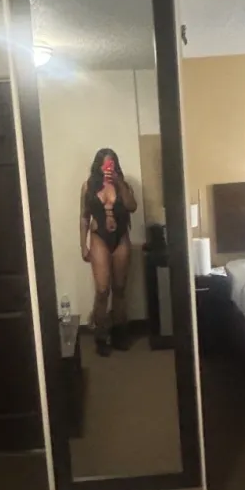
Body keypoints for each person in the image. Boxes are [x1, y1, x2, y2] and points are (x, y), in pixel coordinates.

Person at [80, 148, 137, 356]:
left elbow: (132, 206)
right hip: (99, 239)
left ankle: (120, 332)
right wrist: (83, 245)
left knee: (120, 288)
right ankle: (101, 334)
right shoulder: (88, 186)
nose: (108, 167)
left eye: (111, 163)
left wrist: (119, 183)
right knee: (103, 290)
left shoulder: (124, 185)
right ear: (98, 165)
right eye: (105, 163)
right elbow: (84, 217)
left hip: (121, 238)